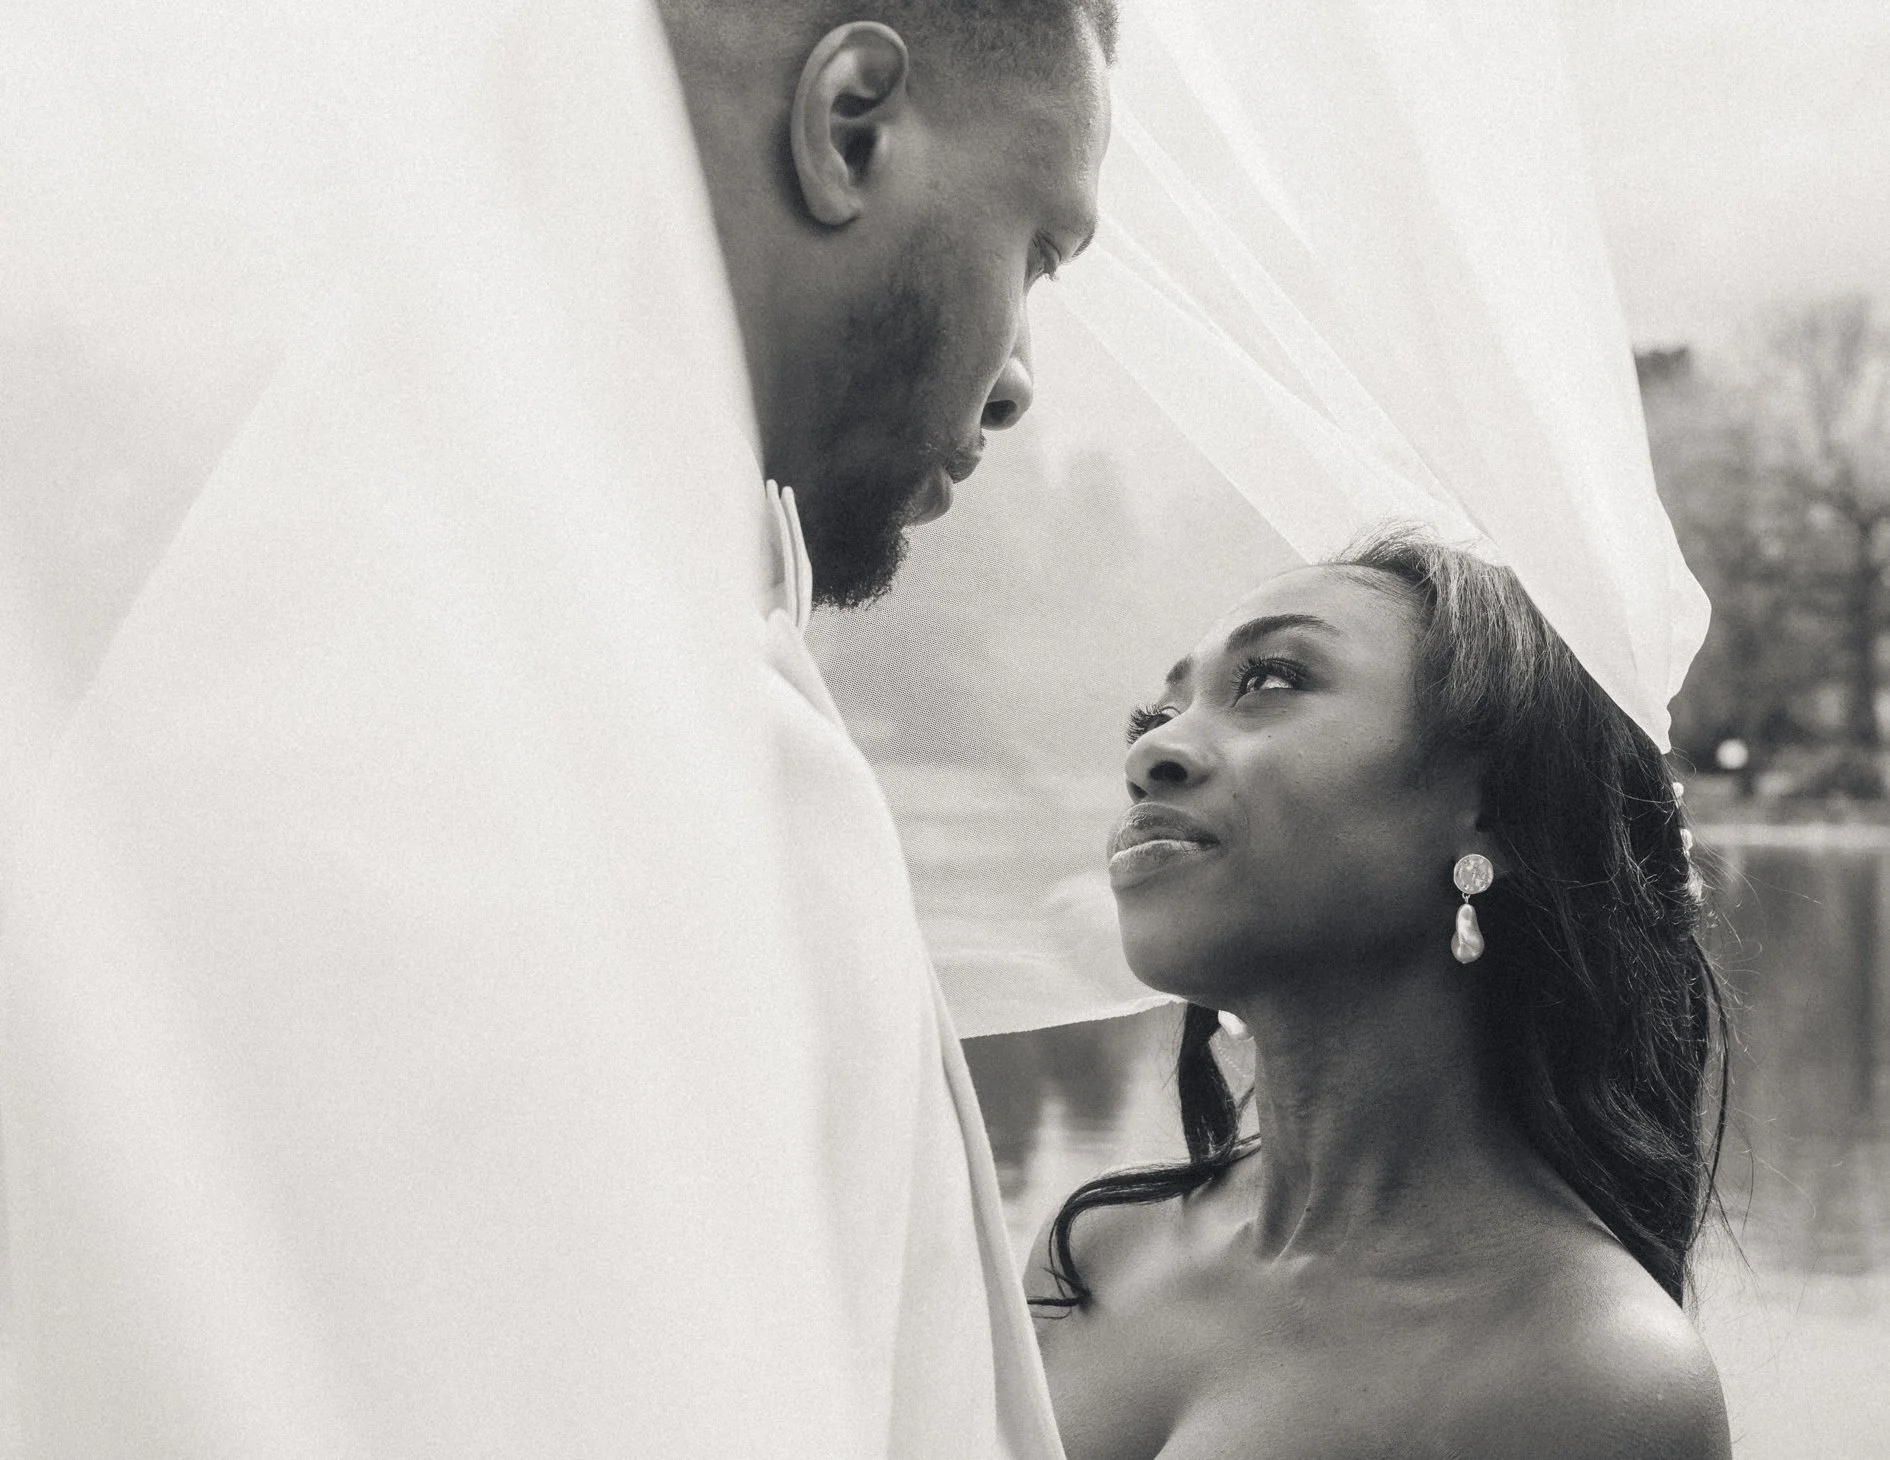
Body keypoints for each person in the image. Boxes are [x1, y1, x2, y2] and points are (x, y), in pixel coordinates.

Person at [0, 0, 1108, 1454]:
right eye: (1035, 248)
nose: (1020, 373)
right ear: (850, 125)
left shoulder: (211, 636)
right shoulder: (701, 782)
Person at [1027, 529, 1733, 1460]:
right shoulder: (1097, 1253)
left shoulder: (1593, 1375)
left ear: (1495, 806)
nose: (1154, 751)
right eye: (1152, 716)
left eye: (1269, 681)